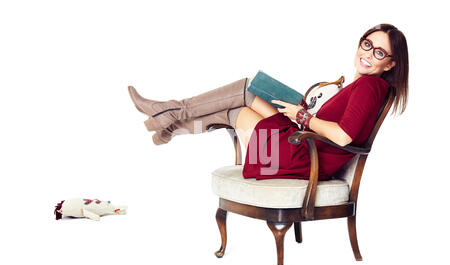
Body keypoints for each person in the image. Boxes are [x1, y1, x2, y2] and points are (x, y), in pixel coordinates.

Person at [128, 23, 409, 181]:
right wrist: (300, 113)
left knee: (244, 93)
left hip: (294, 162)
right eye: (367, 44)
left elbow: (343, 136)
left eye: (380, 53)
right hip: (296, 156)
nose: (369, 54)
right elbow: (336, 129)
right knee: (244, 97)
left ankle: (167, 115)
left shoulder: (370, 86)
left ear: (390, 64)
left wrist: (303, 117)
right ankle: (168, 124)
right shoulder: (366, 85)